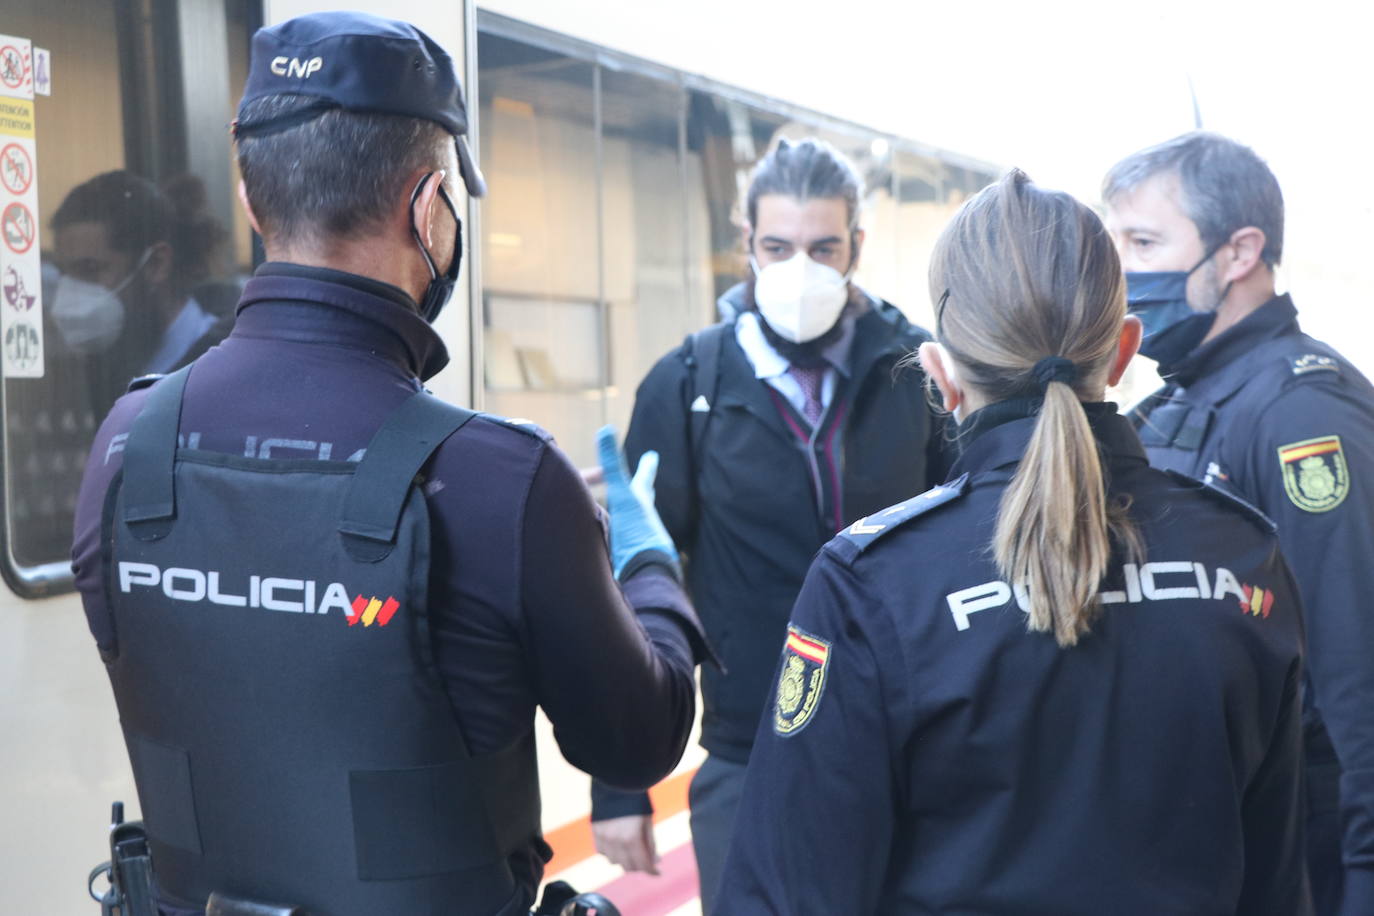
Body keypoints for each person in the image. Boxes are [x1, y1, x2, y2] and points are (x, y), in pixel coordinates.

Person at [70, 12, 706, 916]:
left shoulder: (129, 444)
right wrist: (650, 572)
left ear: (253, 201)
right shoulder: (501, 478)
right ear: (427, 207)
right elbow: (638, 740)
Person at [713, 170, 1310, 914]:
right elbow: (1280, 877)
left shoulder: (873, 585)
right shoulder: (1244, 557)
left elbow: (789, 892)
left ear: (941, 375)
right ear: (1123, 351)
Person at [590, 137, 944, 908]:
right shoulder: (689, 381)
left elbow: (966, 540)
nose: (800, 269)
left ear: (857, 245)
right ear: (746, 244)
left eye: (823, 247)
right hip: (752, 750)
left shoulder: (918, 371)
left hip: (909, 740)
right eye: (778, 247)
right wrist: (621, 781)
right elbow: (637, 582)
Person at [1103, 132, 1374, 915]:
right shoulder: (1178, 403)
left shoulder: (1300, 412)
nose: (1121, 270)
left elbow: (1357, 670)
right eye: (1115, 242)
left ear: (1238, 252)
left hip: (1309, 840)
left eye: (1144, 242)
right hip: (1219, 832)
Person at [50, 170, 235, 416]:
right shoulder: (97, 378)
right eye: (63, 273)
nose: (70, 294)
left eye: (90, 269)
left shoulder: (227, 370)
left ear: (156, 264)